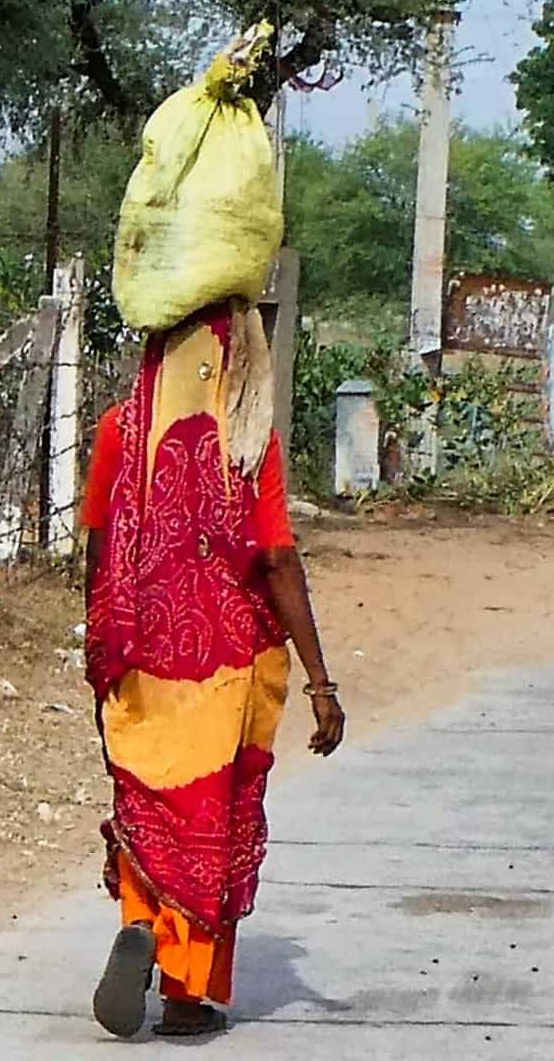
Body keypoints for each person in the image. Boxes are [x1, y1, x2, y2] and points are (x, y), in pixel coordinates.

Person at [83, 300, 344, 1039]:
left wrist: (99, 646)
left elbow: (99, 548)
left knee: (149, 801)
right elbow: (278, 559)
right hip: (227, 661)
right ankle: (185, 991)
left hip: (138, 649)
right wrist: (320, 679)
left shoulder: (120, 430)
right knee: (211, 816)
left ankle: (141, 922)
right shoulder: (248, 441)